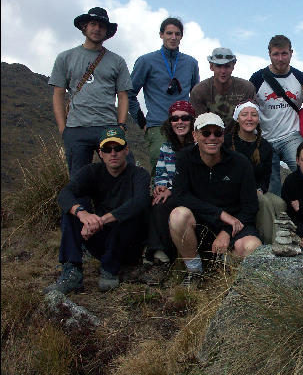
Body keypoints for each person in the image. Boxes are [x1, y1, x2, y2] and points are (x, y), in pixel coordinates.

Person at [44, 128, 150, 294]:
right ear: (100, 153)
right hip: (101, 238)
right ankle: (72, 272)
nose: (113, 154)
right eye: (107, 150)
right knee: (71, 211)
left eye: (118, 148)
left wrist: (100, 220)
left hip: (128, 244)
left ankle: (110, 269)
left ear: (126, 150)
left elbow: (140, 202)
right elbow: (65, 194)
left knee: (130, 215)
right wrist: (83, 214)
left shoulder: (139, 174)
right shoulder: (92, 172)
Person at [167, 113, 262, 286]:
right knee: (178, 215)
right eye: (205, 133)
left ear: (223, 135)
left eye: (217, 133)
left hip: (235, 224)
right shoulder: (184, 158)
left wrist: (226, 231)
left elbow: (250, 205)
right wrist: (220, 214)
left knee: (252, 246)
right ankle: (194, 271)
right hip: (200, 222)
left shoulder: (240, 163)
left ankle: (233, 276)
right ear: (195, 135)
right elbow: (179, 196)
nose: (212, 137)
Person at [49, 7, 133, 177]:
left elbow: (123, 96)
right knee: (79, 180)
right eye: (93, 24)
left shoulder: (117, 61)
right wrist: (63, 129)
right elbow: (58, 94)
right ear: (84, 27)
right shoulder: (65, 57)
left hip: (108, 126)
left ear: (107, 31)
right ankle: (81, 205)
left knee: (125, 173)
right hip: (76, 127)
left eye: (102, 26)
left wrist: (121, 125)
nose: (97, 29)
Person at [128, 17, 200, 178]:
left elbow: (195, 95)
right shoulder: (146, 61)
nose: (173, 37)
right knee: (159, 171)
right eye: (169, 33)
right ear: (161, 35)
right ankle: (158, 202)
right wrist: (141, 121)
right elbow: (129, 93)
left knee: (189, 170)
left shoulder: (191, 63)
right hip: (158, 125)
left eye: (177, 34)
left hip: (186, 126)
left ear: (182, 36)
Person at [249, 35, 303, 196]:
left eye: (284, 54)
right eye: (276, 54)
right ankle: (276, 216)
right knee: (271, 183)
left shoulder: (301, 77)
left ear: (291, 53)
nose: (280, 59)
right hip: (265, 137)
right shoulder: (257, 78)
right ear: (269, 54)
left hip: (291, 135)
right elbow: (247, 107)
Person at [224, 100, 287, 244]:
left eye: (253, 115)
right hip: (233, 191)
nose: (249, 118)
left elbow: (266, 176)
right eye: (244, 114)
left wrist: (260, 188)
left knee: (279, 203)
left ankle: (285, 240)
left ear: (258, 119)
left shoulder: (265, 146)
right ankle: (269, 244)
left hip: (256, 190)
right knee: (262, 201)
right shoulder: (226, 143)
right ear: (237, 118)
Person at [145, 101, 196, 264]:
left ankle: (162, 253)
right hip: (172, 191)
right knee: (153, 201)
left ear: (192, 121)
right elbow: (161, 171)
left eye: (185, 118)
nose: (180, 122)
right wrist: (160, 186)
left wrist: (171, 190)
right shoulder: (166, 146)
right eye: (175, 119)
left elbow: (192, 178)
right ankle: (157, 252)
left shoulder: (198, 145)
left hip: (192, 193)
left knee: (163, 203)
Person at [190, 47, 256, 129]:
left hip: (238, 137)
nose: (223, 71)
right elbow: (199, 123)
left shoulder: (246, 88)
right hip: (210, 136)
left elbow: (252, 119)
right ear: (211, 66)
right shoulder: (199, 91)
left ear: (233, 66)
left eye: (227, 66)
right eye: (218, 66)